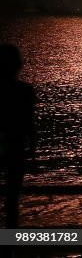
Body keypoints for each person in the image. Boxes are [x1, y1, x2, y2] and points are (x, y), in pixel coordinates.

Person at [0, 44, 36, 229]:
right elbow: (29, 122)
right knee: (12, 196)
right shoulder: (25, 90)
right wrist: (33, 145)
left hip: (7, 143)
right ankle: (9, 241)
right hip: (15, 145)